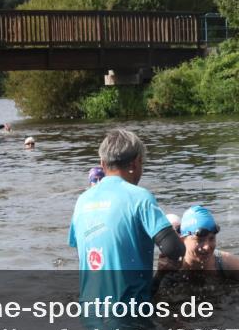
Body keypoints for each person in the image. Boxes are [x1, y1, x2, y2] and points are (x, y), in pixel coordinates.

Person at [67, 129, 184, 306]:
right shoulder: (140, 197)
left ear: (102, 162)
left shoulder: (82, 200)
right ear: (136, 162)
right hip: (128, 312)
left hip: (89, 309)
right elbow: (173, 249)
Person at [175, 206, 239, 282]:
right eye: (199, 240)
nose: (207, 247)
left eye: (211, 238)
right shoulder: (170, 266)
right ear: (182, 240)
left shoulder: (228, 265)